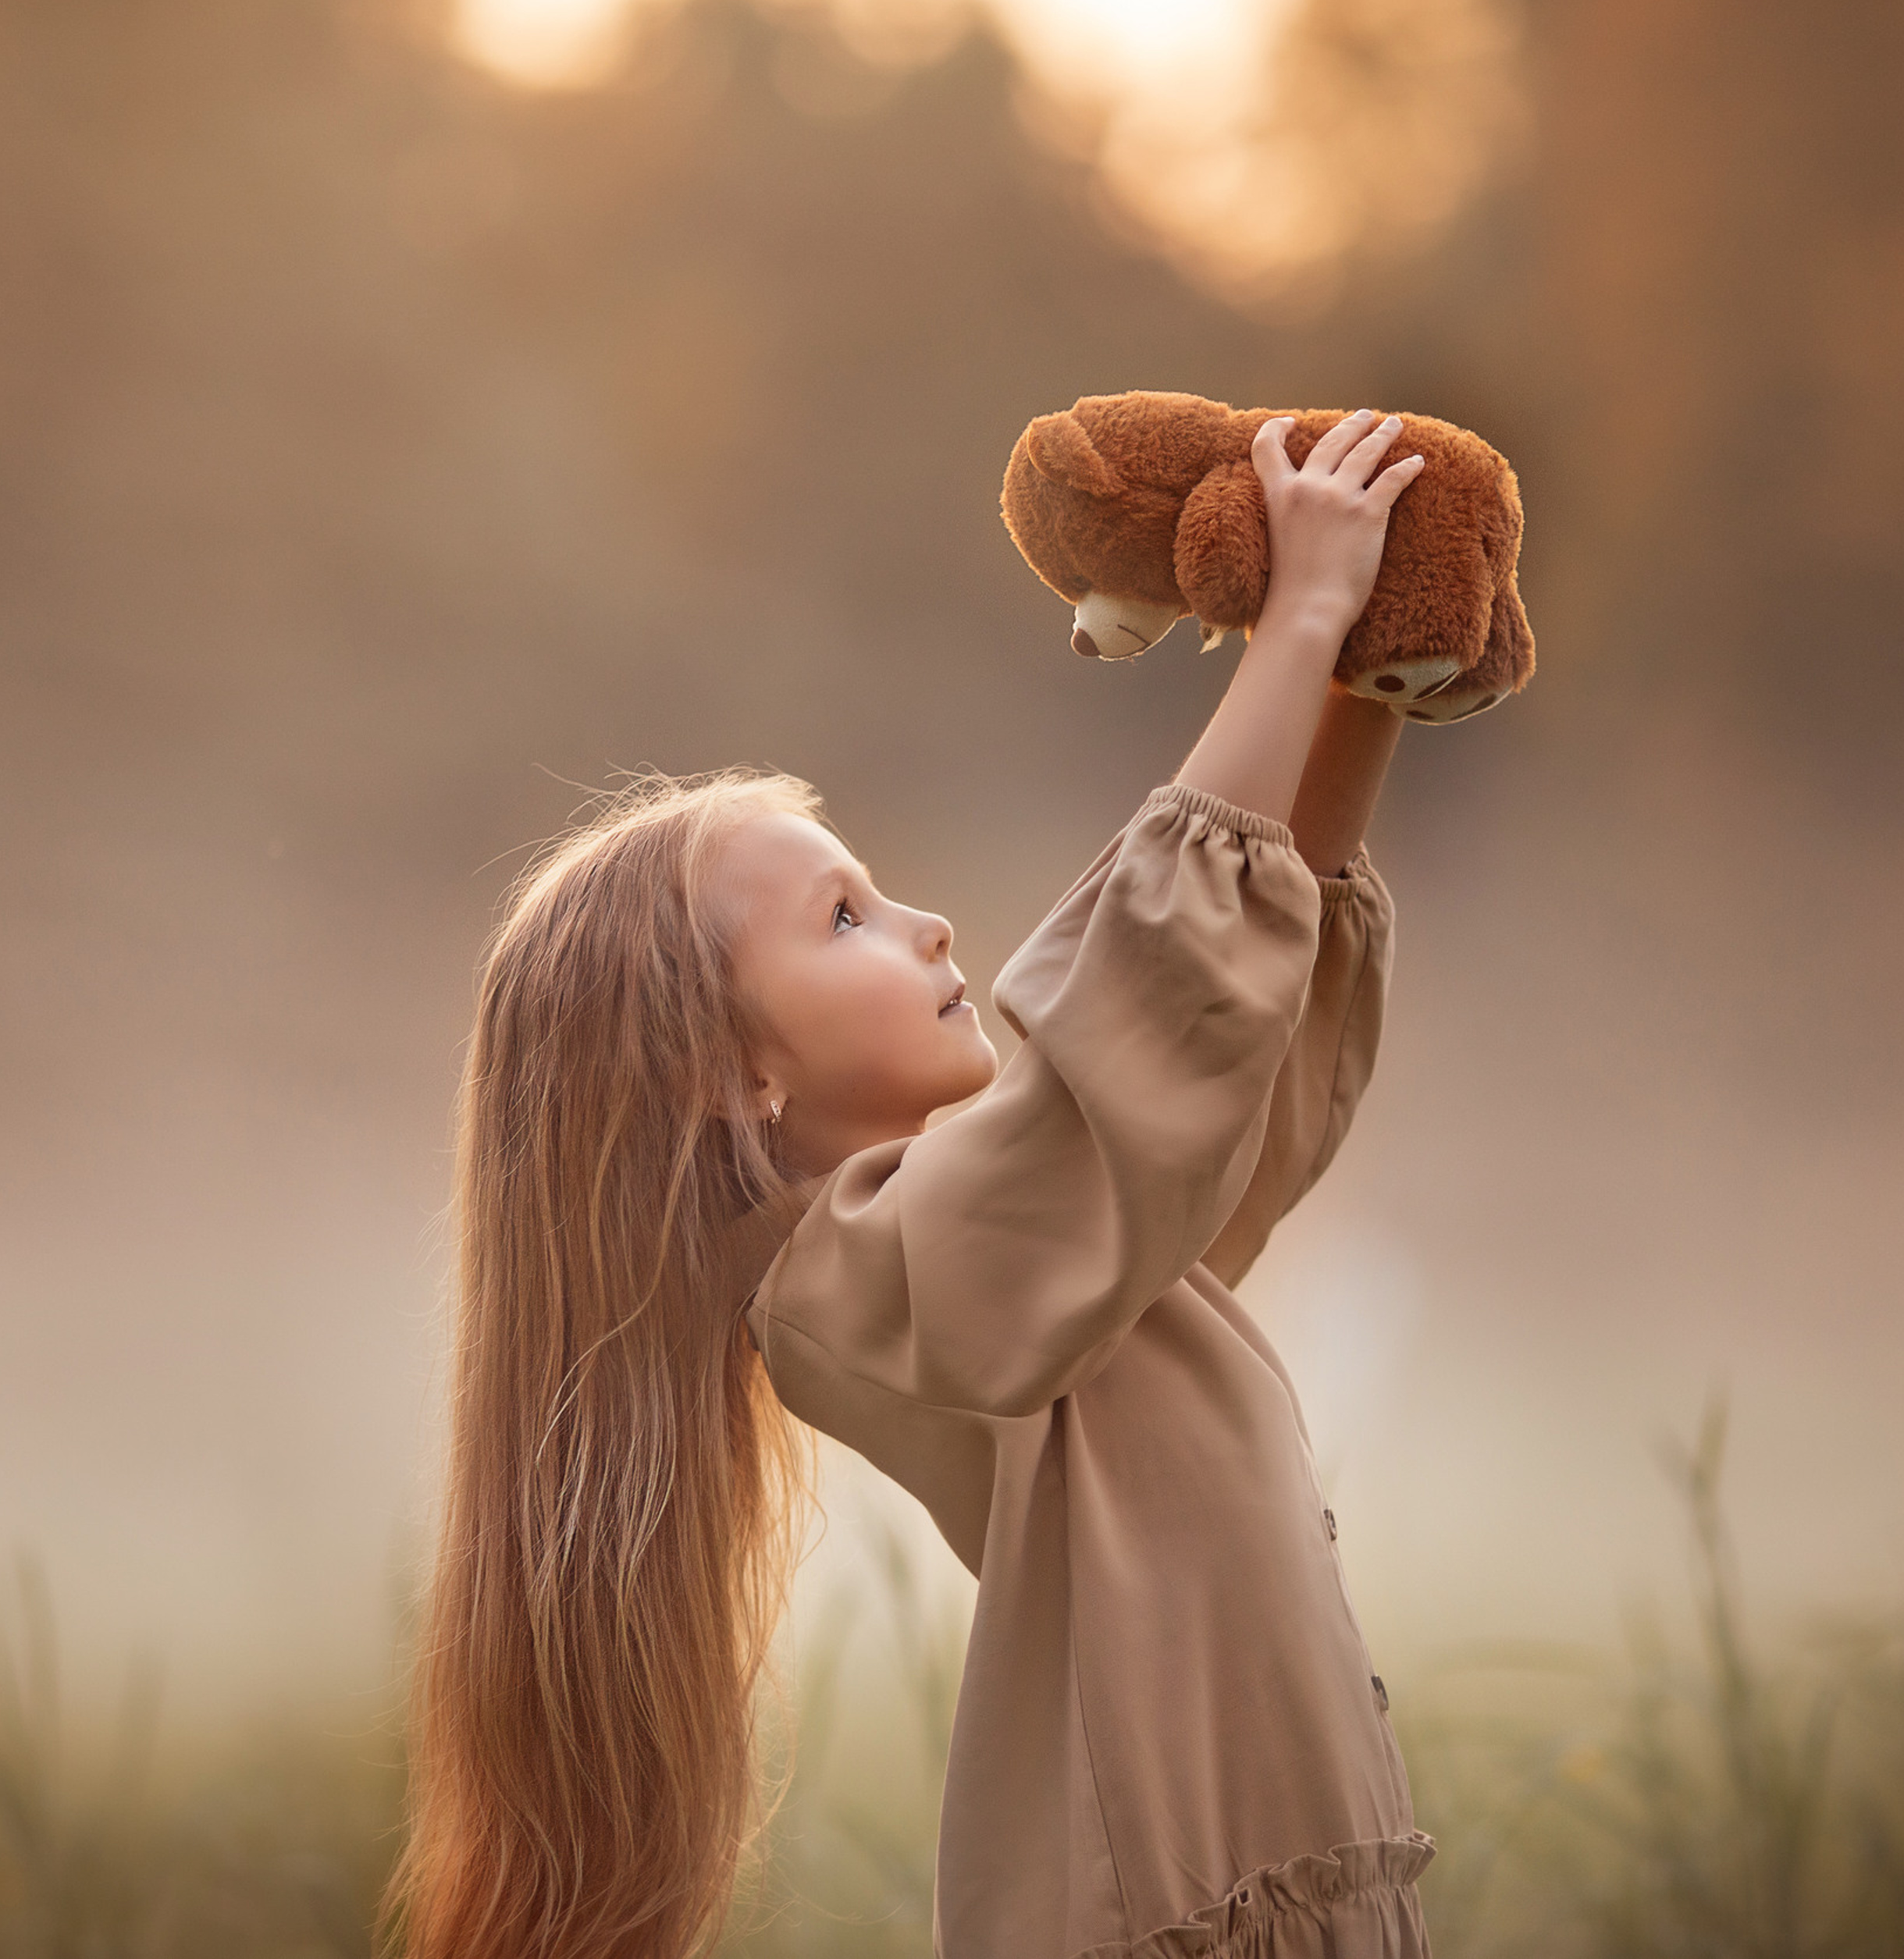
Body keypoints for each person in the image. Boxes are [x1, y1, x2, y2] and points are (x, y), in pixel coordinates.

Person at [390, 409, 1435, 1959]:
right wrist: (1285, 626)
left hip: (1264, 1861)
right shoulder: (851, 1288)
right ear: (727, 1071)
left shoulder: (1005, 1225)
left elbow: (1213, 1089)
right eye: (846, 919)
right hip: (1160, 1901)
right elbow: (1132, 1049)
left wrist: (1361, 678)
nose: (931, 925)